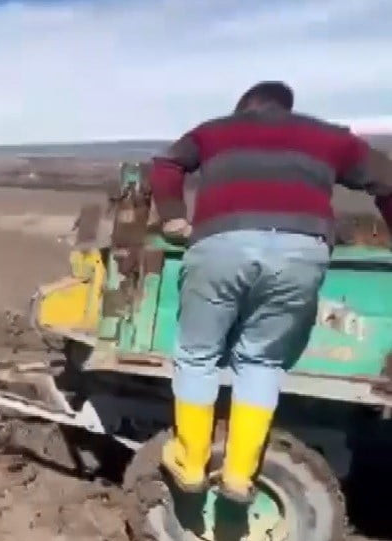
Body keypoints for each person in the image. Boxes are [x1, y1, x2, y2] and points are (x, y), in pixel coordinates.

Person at [151, 80, 392, 503]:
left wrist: (173, 217)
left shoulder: (215, 130)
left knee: (197, 355)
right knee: (261, 361)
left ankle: (190, 464)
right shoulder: (329, 136)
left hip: (221, 245)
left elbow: (166, 165)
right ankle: (239, 477)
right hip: (302, 252)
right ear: (287, 107)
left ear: (244, 107)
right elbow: (387, 180)